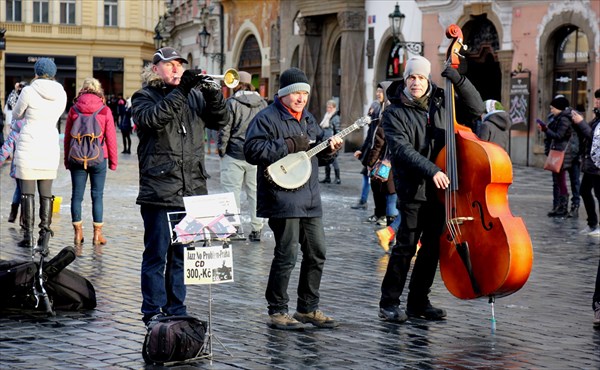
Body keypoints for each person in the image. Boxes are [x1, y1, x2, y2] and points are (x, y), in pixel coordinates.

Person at [378, 55, 485, 323]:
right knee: (406, 244)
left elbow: (476, 109)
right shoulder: (393, 112)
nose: (416, 82)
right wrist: (432, 169)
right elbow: (402, 150)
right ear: (405, 80)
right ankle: (389, 302)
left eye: (421, 77)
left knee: (432, 249)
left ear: (428, 80)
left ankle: (418, 301)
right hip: (413, 187)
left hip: (443, 189)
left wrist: (458, 80)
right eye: (411, 77)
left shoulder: (443, 103)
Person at [131, 47, 229, 326]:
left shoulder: (194, 96)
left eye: (179, 65)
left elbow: (220, 120)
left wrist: (213, 95)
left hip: (192, 190)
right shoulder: (143, 96)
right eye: (169, 65)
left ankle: (177, 308)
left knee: (182, 257)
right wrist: (182, 91)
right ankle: (152, 311)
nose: (176, 69)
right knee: (156, 255)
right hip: (159, 190)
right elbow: (152, 119)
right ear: (155, 69)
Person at [244, 67, 343, 330]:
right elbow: (252, 151)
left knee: (317, 251)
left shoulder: (309, 119)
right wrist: (288, 145)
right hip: (281, 197)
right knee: (287, 254)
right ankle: (277, 310)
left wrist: (330, 151)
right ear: (284, 94)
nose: (301, 98)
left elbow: (316, 154)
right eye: (296, 93)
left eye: (304, 93)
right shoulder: (266, 118)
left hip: (309, 197)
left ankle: (307, 308)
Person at [11, 58, 67, 252]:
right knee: (46, 193)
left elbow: (17, 114)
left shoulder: (28, 91)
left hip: (30, 143)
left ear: (36, 72)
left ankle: (28, 236)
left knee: (27, 192)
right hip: (49, 143)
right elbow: (58, 114)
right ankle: (44, 236)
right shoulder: (61, 93)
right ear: (53, 74)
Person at [63, 77, 118, 249]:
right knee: (97, 195)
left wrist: (67, 159)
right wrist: (113, 162)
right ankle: (97, 235)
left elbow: (67, 138)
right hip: (99, 157)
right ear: (98, 90)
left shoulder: (74, 109)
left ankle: (78, 233)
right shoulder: (104, 110)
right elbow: (111, 138)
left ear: (83, 89)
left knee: (76, 196)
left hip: (77, 157)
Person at [217, 71, 267, 242]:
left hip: (234, 153)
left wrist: (221, 149)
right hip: (256, 155)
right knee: (256, 193)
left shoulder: (232, 103)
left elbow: (225, 128)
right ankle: (257, 228)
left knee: (231, 193)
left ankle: (233, 227)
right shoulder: (262, 104)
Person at [538, 96, 573, 218]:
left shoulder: (564, 119)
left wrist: (545, 129)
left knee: (561, 180)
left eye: (553, 108)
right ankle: (559, 206)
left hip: (561, 153)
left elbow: (559, 135)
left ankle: (563, 207)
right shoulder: (557, 118)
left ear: (558, 108)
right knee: (558, 181)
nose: (551, 110)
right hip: (557, 151)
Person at [571, 88, 600, 235]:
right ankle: (592, 223)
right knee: (584, 191)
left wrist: (581, 123)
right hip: (591, 164)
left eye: (599, 99)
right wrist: (578, 123)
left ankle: (597, 226)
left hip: (598, 165)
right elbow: (587, 133)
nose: (596, 101)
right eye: (596, 99)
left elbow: (595, 138)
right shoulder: (597, 117)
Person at [351, 87, 384, 210]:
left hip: (381, 153)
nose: (378, 93)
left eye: (381, 91)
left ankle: (382, 212)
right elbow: (370, 133)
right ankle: (364, 202)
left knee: (380, 182)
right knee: (367, 176)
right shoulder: (375, 105)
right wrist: (362, 149)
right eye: (377, 91)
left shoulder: (387, 109)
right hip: (371, 151)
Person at [0, 118, 26, 226]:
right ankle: (24, 217)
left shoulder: (17, 128)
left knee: (19, 189)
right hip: (33, 166)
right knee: (28, 192)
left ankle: (13, 212)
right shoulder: (37, 127)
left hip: (18, 166)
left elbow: (6, 148)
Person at [318, 99, 341, 184]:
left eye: (330, 107)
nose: (328, 109)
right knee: (326, 160)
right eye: (327, 107)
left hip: (333, 142)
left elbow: (338, 130)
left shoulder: (335, 117)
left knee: (333, 160)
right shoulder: (327, 115)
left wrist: (336, 141)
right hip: (325, 141)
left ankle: (338, 178)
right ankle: (327, 177)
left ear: (334, 108)